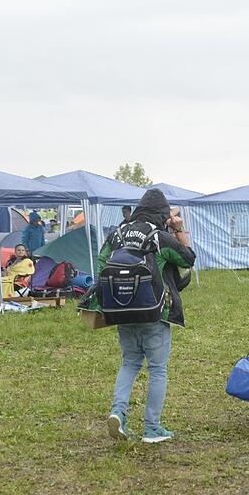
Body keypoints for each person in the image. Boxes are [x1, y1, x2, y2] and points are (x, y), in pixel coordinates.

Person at [92, 189, 195, 444]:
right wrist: (179, 229)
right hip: (154, 313)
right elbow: (188, 259)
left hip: (121, 310)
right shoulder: (159, 237)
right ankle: (152, 428)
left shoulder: (117, 233)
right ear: (163, 213)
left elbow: (101, 263)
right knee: (157, 369)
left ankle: (118, 412)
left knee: (129, 363)